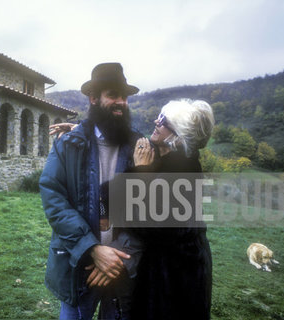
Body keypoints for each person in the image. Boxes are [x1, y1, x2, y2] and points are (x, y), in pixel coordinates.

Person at [39, 62, 143, 320]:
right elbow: (54, 198)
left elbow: (147, 210)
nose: (121, 102)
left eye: (125, 97)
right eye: (113, 95)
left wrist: (119, 258)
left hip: (121, 268)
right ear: (94, 99)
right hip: (79, 264)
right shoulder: (69, 144)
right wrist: (92, 249)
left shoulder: (139, 148)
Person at [129, 99, 214, 320]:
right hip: (173, 268)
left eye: (164, 119)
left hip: (176, 277)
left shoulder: (182, 169)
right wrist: (81, 129)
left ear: (177, 133)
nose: (156, 121)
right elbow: (128, 135)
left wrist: (142, 175)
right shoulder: (171, 158)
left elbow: (150, 227)